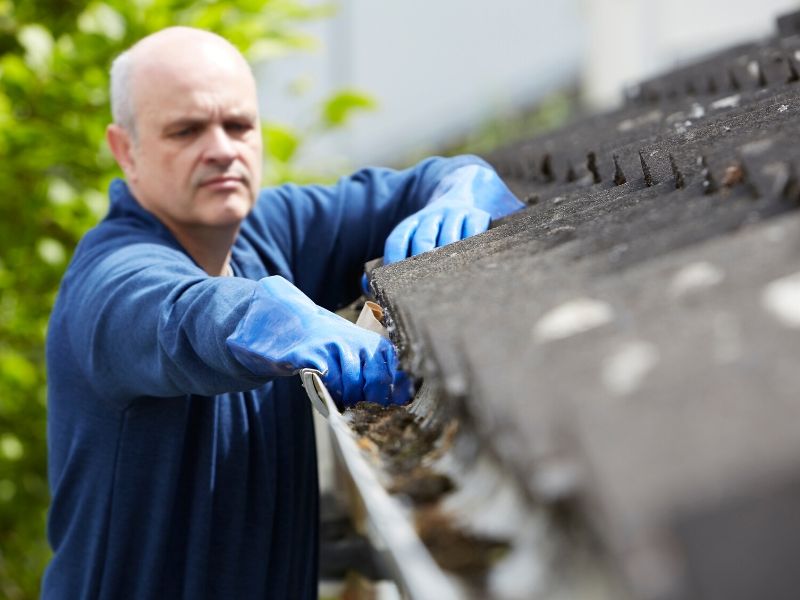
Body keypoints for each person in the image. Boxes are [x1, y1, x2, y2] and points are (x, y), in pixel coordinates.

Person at [43, 27, 524, 599]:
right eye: (186, 130)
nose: (222, 148)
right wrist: (264, 314)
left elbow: (432, 182)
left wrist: (464, 190)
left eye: (239, 125)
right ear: (127, 151)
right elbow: (179, 315)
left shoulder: (273, 229)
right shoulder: (108, 281)